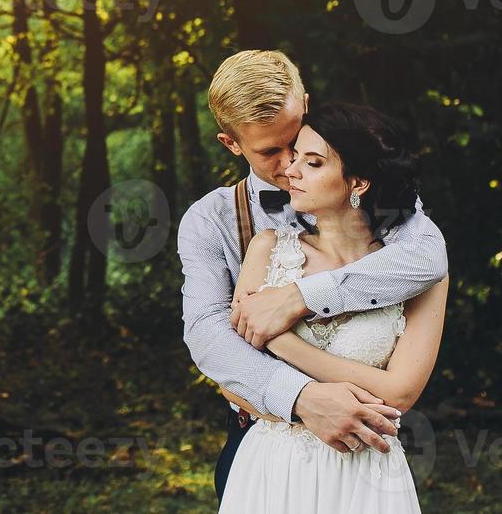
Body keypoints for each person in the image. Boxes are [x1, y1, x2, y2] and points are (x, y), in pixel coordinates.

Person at [176, 50, 448, 503]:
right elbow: (208, 336)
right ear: (231, 144)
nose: (289, 165)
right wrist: (301, 400)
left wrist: (301, 296)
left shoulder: (380, 196)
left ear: (303, 103)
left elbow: (427, 259)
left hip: (365, 454)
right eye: (270, 151)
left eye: (297, 141)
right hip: (261, 442)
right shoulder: (213, 220)